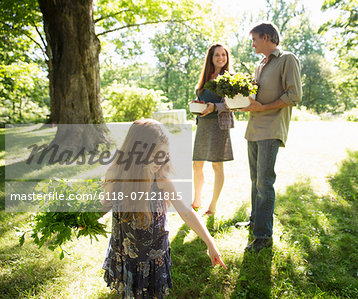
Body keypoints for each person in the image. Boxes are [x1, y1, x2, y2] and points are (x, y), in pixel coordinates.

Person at [101, 119, 226, 298]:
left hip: (153, 257)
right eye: (156, 155)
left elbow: (185, 211)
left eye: (164, 156)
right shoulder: (117, 175)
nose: (161, 161)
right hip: (126, 254)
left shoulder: (161, 180)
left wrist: (210, 243)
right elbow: (106, 204)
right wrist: (83, 220)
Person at [237, 22, 302, 252]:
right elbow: (257, 98)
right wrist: (240, 101)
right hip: (254, 129)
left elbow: (294, 95)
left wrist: (263, 108)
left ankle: (263, 237)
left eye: (254, 39)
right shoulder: (260, 65)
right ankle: (255, 221)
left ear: (266, 37)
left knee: (265, 183)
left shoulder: (287, 59)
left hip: (271, 129)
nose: (252, 44)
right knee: (255, 180)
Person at [191, 43, 234, 216]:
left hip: (218, 126)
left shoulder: (230, 78)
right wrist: (196, 106)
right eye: (217, 55)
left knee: (217, 165)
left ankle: (212, 206)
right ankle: (196, 200)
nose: (221, 58)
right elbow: (202, 99)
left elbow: (232, 104)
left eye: (223, 55)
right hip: (203, 125)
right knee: (196, 164)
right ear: (211, 58)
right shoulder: (205, 78)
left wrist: (214, 107)